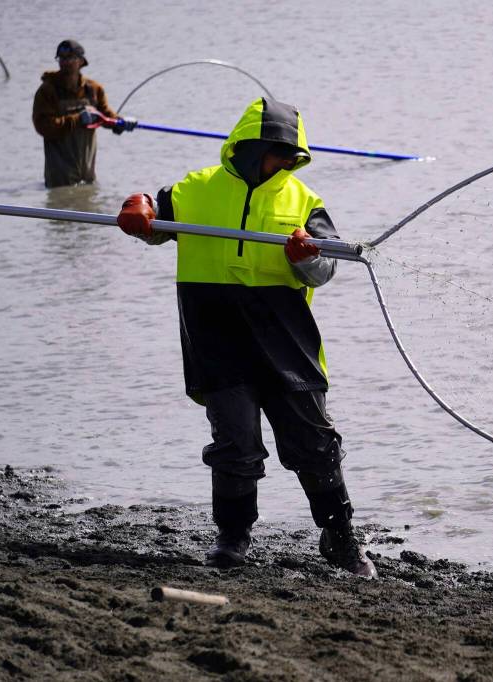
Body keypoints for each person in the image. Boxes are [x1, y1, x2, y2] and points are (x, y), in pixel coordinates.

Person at [114, 98, 376, 578]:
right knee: (235, 444)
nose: (284, 161)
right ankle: (232, 539)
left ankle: (340, 538)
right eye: (277, 152)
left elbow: (325, 271)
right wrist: (139, 210)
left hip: (286, 344)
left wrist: (305, 258)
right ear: (250, 146)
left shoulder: (304, 201)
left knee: (314, 443)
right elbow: (154, 225)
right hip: (217, 340)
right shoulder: (195, 189)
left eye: (290, 154)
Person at [32, 40, 137, 188]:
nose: (65, 62)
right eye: (61, 58)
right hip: (59, 177)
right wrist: (77, 119)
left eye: (70, 58)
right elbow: (42, 126)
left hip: (87, 173)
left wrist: (122, 123)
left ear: (81, 61)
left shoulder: (93, 89)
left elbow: (106, 116)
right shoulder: (47, 91)